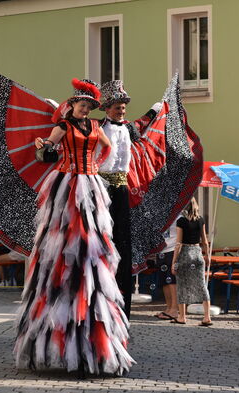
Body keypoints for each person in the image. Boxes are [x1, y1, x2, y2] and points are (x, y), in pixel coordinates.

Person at [13, 78, 135, 376]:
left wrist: (96, 166)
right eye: (81, 105)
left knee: (94, 237)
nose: (84, 109)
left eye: (88, 107)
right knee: (64, 235)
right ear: (72, 106)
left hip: (91, 181)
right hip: (67, 181)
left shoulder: (94, 128)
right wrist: (45, 147)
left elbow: (107, 149)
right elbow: (46, 153)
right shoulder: (63, 128)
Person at [97, 80, 162, 319]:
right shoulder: (98, 127)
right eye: (117, 107)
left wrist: (156, 110)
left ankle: (121, 293)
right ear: (106, 108)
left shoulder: (128, 128)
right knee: (101, 236)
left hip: (122, 187)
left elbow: (144, 124)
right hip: (101, 186)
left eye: (123, 107)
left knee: (122, 238)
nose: (122, 110)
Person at [171, 197, 212, 326]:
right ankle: (207, 317)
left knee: (182, 285)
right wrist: (207, 256)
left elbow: (178, 243)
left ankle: (182, 317)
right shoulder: (201, 220)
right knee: (202, 286)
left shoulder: (181, 221)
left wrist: (174, 262)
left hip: (185, 254)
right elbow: (204, 241)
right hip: (198, 254)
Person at [154, 218, 179, 320]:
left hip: (172, 250)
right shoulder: (162, 216)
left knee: (172, 281)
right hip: (162, 250)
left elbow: (181, 238)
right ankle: (169, 308)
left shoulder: (179, 217)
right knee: (164, 281)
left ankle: (174, 309)